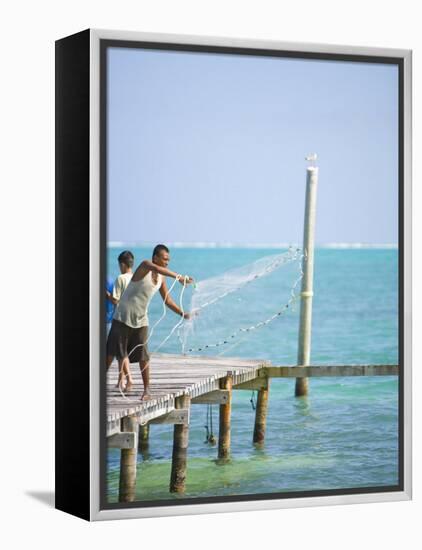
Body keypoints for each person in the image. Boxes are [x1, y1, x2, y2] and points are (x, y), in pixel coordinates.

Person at [106, 244, 194, 399]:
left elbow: (167, 300)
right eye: (164, 259)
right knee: (111, 353)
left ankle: (146, 390)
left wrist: (183, 314)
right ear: (155, 258)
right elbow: (159, 269)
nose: (167, 262)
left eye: (168, 260)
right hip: (122, 316)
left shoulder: (161, 278)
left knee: (144, 356)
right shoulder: (145, 265)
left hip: (141, 319)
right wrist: (179, 277)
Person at [106, 250, 135, 385]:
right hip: (133, 319)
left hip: (119, 320)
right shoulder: (136, 278)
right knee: (121, 352)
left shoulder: (121, 278)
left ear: (122, 264)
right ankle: (121, 380)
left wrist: (106, 294)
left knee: (117, 351)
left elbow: (115, 300)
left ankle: (128, 379)